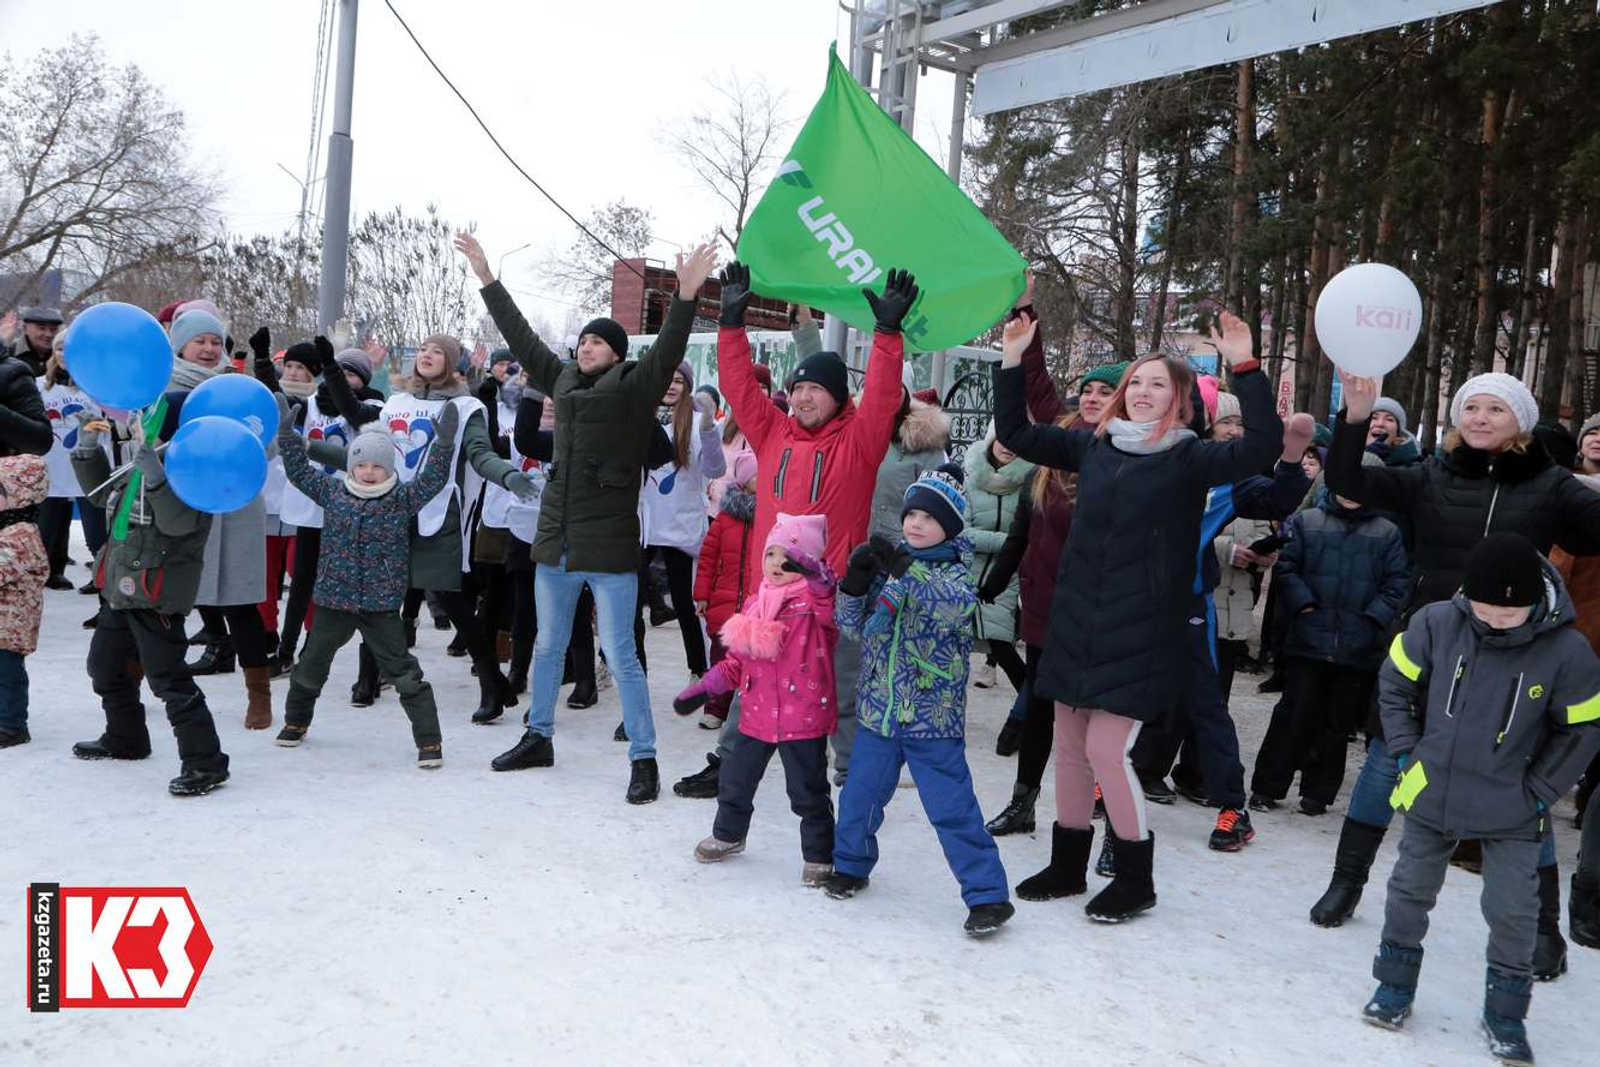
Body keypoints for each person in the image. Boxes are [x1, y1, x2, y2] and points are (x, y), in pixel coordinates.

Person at [992, 309, 1282, 922]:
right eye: (1137, 383)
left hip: (1144, 628)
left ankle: (1134, 875)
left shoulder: (1191, 459)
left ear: (1179, 402)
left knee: (1105, 750)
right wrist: (1014, 355)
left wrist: (1246, 365)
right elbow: (1015, 430)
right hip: (1077, 621)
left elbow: (1264, 447)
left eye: (1158, 384)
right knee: (1069, 746)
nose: (1144, 392)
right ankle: (1068, 863)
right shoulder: (1090, 446)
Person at [1311, 370, 1600, 983]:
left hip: (1519, 660)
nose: (1480, 417)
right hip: (1434, 644)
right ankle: (1347, 883)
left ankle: (1543, 927)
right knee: (1391, 763)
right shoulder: (1431, 475)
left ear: (1519, 421)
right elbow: (1346, 479)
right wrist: (1355, 417)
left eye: (1496, 408)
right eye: (1471, 406)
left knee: (1521, 789)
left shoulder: (1552, 486)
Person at [460, 231, 717, 804]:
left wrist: (686, 296)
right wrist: (486, 277)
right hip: (557, 538)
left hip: (609, 546)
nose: (584, 348)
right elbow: (521, 338)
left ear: (617, 352)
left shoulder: (633, 386)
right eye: (580, 342)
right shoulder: (564, 379)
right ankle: (539, 735)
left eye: (596, 342)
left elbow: (670, 348)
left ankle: (643, 757)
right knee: (549, 646)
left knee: (620, 653)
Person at [670, 261, 914, 801]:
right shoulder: (773, 432)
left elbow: (880, 395)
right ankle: (730, 766)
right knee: (753, 682)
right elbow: (738, 385)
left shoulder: (860, 439)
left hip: (835, 598)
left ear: (836, 397)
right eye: (797, 388)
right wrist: (731, 324)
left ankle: (852, 781)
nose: (803, 397)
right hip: (772, 595)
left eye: (814, 390)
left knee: (844, 690)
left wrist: (888, 334)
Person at [1361, 534, 1600, 1066]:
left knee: (1513, 911)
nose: (1494, 621)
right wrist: (1406, 752)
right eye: (1485, 610)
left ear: (1535, 604)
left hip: (1512, 804)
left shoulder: (1567, 650)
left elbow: (1583, 731)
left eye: (1509, 614)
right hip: (1432, 787)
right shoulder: (1435, 622)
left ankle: (1507, 1014)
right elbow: (1395, 685)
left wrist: (1539, 791)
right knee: (1408, 892)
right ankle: (1394, 987)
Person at [824, 467, 1014, 937]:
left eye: (928, 517)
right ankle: (850, 864)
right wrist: (853, 585)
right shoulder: (892, 569)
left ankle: (987, 895)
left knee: (953, 808)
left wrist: (903, 571)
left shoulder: (955, 574)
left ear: (949, 526)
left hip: (931, 720)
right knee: (858, 797)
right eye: (911, 513)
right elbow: (853, 627)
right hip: (878, 712)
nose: (915, 524)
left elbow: (950, 606)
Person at [320, 328, 536, 726]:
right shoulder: (394, 404)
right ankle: (368, 678)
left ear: (452, 363)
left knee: (454, 602)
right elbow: (360, 449)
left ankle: (492, 682)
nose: (427, 355)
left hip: (439, 515)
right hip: (390, 511)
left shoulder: (467, 406)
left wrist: (508, 477)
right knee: (381, 596)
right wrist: (304, 446)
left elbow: (479, 453)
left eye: (438, 351)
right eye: (422, 349)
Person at [980, 293, 1122, 835]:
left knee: (1092, 714)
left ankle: (1108, 806)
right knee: (1038, 705)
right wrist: (1026, 321)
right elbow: (1037, 392)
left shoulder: (1122, 453)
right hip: (1044, 603)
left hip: (1095, 610)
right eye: (1086, 388)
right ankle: (1023, 801)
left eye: (1105, 391)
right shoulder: (1059, 444)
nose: (1091, 397)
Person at [272, 395, 458, 768]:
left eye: (378, 465)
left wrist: (445, 445)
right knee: (311, 665)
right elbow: (299, 472)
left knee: (405, 672)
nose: (369, 472)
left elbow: (435, 480)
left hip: (380, 605)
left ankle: (429, 741)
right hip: (333, 601)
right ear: (351, 466)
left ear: (389, 469)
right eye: (362, 465)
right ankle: (296, 721)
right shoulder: (332, 492)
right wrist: (288, 437)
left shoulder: (402, 498)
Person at [69, 394, 230, 795]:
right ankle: (126, 737)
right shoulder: (143, 458)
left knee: (169, 680)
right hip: (120, 589)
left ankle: (205, 763)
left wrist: (157, 478)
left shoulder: (195, 473)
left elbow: (180, 525)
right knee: (105, 668)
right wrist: (87, 450)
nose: (142, 426)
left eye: (153, 422)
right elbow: (101, 495)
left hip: (155, 594)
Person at [674, 513, 837, 884]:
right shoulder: (754, 605)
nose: (777, 564)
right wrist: (702, 689)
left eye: (789, 557)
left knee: (807, 790)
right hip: (756, 712)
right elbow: (736, 664)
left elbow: (831, 602)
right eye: (772, 554)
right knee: (735, 777)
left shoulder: (815, 605)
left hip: (803, 716)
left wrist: (816, 575)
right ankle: (729, 834)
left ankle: (819, 853)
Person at [1249, 486, 1409, 814]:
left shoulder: (1387, 532)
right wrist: (1304, 605)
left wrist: (1372, 620)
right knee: (1293, 713)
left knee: (1337, 722)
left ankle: (1318, 792)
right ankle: (1268, 786)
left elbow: (1397, 584)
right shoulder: (1309, 521)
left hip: (1357, 645)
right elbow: (1286, 568)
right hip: (1308, 639)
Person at [634, 362, 724, 678]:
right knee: (629, 602)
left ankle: (698, 669)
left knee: (685, 604)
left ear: (687, 386)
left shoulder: (698, 421)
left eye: (677, 381)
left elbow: (715, 471)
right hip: (643, 524)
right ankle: (618, 662)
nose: (670, 387)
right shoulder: (640, 417)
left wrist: (710, 432)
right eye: (665, 380)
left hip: (679, 527)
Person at [692, 450, 759, 730]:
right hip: (723, 604)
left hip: (754, 607)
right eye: (757, 475)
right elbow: (707, 559)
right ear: (743, 482)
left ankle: (751, 709)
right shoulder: (724, 519)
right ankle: (715, 707)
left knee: (753, 662)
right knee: (721, 659)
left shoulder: (771, 515)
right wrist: (703, 595)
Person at [963, 426, 1032, 695]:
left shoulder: (1030, 485)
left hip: (1006, 579)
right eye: (1001, 437)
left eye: (1014, 438)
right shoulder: (969, 483)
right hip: (966, 573)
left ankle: (1029, 710)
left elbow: (1032, 536)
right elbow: (963, 535)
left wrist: (1014, 547)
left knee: (1003, 648)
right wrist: (1012, 542)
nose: (1007, 445)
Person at [37, 339, 108, 593]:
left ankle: (103, 583)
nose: (64, 353)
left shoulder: (99, 389)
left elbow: (116, 425)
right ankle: (38, 581)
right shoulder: (38, 387)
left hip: (87, 472)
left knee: (97, 537)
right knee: (43, 536)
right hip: (51, 473)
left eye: (72, 348)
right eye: (59, 348)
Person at [0, 456, 51, 747]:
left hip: (12, 623)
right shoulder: (7, 527)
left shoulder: (22, 535)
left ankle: (12, 724)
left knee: (7, 672)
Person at [8, 307, 62, 377]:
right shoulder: (10, 353)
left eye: (53, 329)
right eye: (42, 328)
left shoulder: (63, 356)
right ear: (25, 328)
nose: (48, 334)